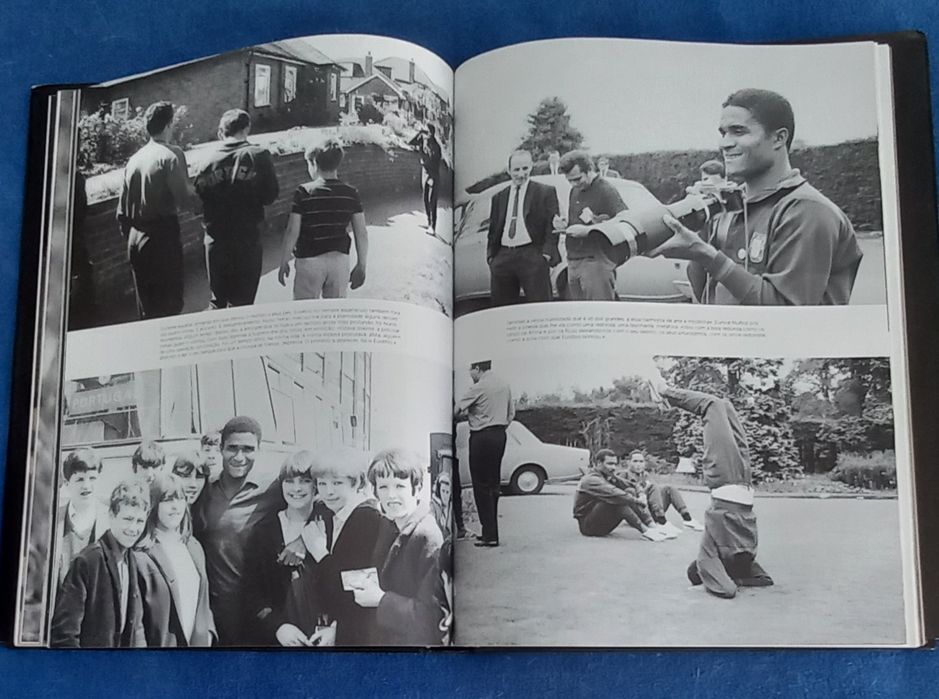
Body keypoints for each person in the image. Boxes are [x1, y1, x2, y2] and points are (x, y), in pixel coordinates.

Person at [652, 88, 863, 305]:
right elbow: (706, 296)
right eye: (723, 133)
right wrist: (700, 234)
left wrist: (707, 256)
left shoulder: (807, 210)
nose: (724, 143)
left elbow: (786, 312)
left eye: (738, 131)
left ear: (779, 138)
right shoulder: (730, 206)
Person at [646, 372, 774, 599]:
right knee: (725, 406)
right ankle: (666, 397)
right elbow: (764, 580)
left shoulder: (708, 553)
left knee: (712, 406)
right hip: (744, 481)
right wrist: (737, 579)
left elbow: (727, 590)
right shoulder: (740, 561)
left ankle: (665, 393)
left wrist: (715, 581)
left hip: (724, 478)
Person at [191, 416, 280, 644]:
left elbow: (315, 504)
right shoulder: (204, 489)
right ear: (221, 448)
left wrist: (301, 540)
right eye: (232, 448)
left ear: (259, 450)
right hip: (214, 610)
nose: (239, 457)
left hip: (259, 610)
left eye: (248, 449)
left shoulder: (273, 488)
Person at [297, 446, 394, 646]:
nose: (328, 491)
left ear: (356, 483)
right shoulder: (331, 512)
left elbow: (356, 590)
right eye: (322, 483)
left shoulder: (368, 520)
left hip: (356, 633)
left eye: (337, 483)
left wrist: (320, 553)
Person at [350, 449, 446, 646]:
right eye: (383, 487)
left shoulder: (428, 537)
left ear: (417, 487)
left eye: (400, 486)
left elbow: (431, 619)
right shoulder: (388, 524)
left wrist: (381, 600)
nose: (391, 496)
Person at [241, 450, 329, 647]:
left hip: (324, 638)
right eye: (289, 481)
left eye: (305, 481)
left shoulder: (329, 524)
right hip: (281, 640)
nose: (296, 488)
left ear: (316, 485)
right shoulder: (263, 531)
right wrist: (278, 627)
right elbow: (251, 592)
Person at [193, 109, 279, 309]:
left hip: (216, 241)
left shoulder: (206, 161)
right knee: (242, 304)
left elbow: (198, 201)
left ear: (221, 132)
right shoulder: (259, 156)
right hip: (247, 240)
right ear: (247, 128)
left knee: (218, 301)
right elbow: (270, 196)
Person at [51, 481, 149, 647]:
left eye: (140, 521)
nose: (133, 528)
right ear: (111, 516)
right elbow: (64, 634)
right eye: (127, 519)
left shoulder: (131, 559)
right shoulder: (88, 561)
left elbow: (136, 625)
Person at [116, 101, 191, 320]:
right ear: (169, 124)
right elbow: (186, 199)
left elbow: (121, 212)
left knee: (147, 308)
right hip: (162, 239)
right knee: (169, 307)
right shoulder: (171, 154)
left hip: (135, 239)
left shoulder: (134, 160)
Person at [278, 138, 368, 300]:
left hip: (309, 261)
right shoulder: (351, 193)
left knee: (305, 310)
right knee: (335, 311)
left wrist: (284, 260)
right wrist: (361, 265)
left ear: (314, 163)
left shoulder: (304, 192)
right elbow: (361, 232)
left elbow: (292, 230)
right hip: (339, 261)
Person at [135, 473, 216, 647]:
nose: (175, 506)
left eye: (180, 499)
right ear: (154, 505)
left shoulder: (193, 546)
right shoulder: (141, 555)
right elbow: (136, 622)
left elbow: (204, 600)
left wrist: (208, 632)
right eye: (167, 500)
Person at [487, 150, 560, 306]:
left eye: (525, 168)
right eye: (516, 170)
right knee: (502, 308)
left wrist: (546, 254)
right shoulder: (499, 197)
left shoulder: (545, 192)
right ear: (509, 170)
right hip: (503, 257)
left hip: (532, 255)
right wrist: (492, 257)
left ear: (531, 167)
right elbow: (493, 229)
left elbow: (552, 226)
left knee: (540, 306)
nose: (521, 174)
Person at [453, 360, 514, 547]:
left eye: (470, 370)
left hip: (481, 437)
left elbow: (456, 410)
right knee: (493, 484)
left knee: (480, 485)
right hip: (500, 435)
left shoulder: (478, 387)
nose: (470, 374)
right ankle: (492, 533)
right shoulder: (504, 385)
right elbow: (511, 414)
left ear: (477, 369)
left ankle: (489, 535)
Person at [555, 150, 628, 300]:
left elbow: (624, 220)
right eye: (569, 180)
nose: (574, 184)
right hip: (573, 261)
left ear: (589, 170)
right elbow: (577, 222)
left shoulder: (606, 190)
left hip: (596, 262)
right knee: (581, 311)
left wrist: (589, 230)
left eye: (577, 179)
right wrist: (564, 225)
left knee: (599, 311)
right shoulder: (574, 191)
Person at [572, 449, 669, 541]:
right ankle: (646, 531)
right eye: (609, 464)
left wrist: (641, 494)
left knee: (630, 491)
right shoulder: (590, 480)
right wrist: (638, 501)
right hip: (588, 527)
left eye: (615, 464)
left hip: (604, 523)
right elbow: (615, 493)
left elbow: (633, 485)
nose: (613, 467)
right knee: (618, 500)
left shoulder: (608, 475)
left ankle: (653, 526)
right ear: (598, 463)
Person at [55, 448, 110, 587]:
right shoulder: (54, 520)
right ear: (67, 484)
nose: (86, 486)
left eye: (92, 478)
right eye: (80, 479)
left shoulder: (109, 520)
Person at [622, 450, 704, 533]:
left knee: (669, 488)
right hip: (637, 512)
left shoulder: (645, 475)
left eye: (641, 461)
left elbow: (655, 494)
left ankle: (687, 518)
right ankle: (661, 521)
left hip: (652, 510)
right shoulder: (623, 475)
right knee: (649, 487)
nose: (638, 464)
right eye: (635, 461)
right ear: (629, 462)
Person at [408, 123, 443, 233]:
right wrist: (419, 133)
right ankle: (429, 223)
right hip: (425, 173)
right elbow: (411, 143)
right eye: (426, 132)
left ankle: (433, 227)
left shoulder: (436, 146)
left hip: (433, 175)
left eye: (428, 132)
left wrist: (432, 178)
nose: (426, 134)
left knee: (432, 201)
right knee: (425, 200)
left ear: (432, 133)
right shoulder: (423, 140)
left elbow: (436, 163)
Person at [430, 468, 453, 541]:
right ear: (438, 491)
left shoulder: (452, 506)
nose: (445, 496)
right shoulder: (433, 506)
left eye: (447, 492)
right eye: (443, 491)